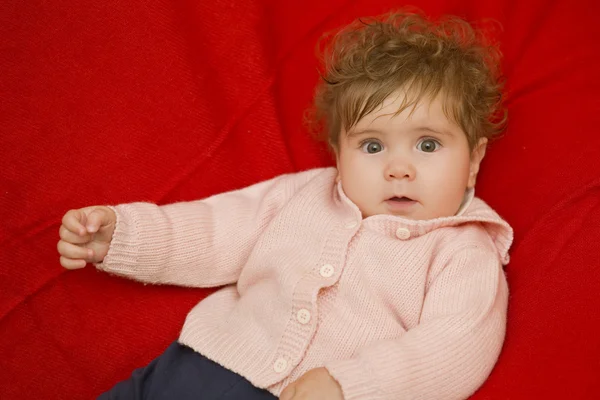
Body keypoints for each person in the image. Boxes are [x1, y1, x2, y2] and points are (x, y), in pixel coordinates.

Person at [57, 9, 513, 400]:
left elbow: (456, 345)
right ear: (338, 152)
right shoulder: (306, 193)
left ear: (473, 159)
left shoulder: (464, 250)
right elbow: (217, 229)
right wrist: (124, 234)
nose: (399, 168)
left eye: (428, 145)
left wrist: (349, 384)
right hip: (200, 364)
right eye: (372, 147)